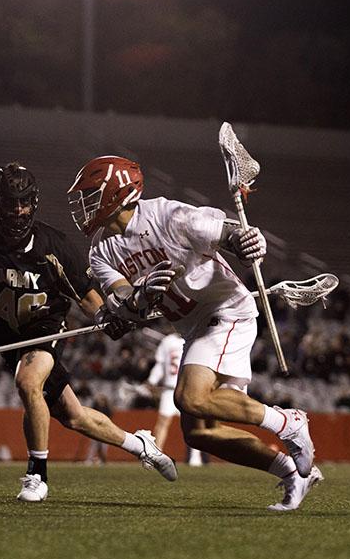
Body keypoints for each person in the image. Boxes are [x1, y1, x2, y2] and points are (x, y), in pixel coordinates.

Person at [68, 155, 320, 511]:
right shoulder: (100, 250)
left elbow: (227, 232)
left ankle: (288, 422)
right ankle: (294, 473)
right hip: (195, 326)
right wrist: (138, 297)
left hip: (226, 311)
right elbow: (123, 297)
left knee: (189, 397)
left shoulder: (168, 216)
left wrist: (247, 242)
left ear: (119, 193)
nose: (85, 204)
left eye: (93, 194)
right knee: (201, 433)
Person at [0, 162, 177, 502]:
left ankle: (37, 475)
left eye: (24, 202)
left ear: (34, 202)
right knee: (74, 417)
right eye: (10, 203)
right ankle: (141, 445)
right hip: (6, 339)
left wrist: (109, 316)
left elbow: (87, 294)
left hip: (45, 328)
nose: (18, 211)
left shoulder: (53, 244)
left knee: (28, 382)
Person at [147, 331, 203, 466]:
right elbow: (161, 364)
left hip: (187, 388)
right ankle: (156, 454)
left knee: (194, 424)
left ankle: (195, 457)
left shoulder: (191, 337)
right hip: (170, 388)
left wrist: (152, 380)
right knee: (163, 422)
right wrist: (152, 380)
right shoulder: (169, 341)